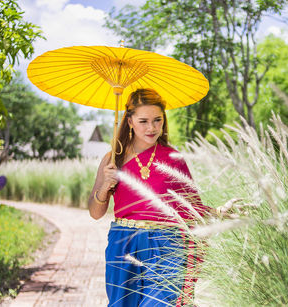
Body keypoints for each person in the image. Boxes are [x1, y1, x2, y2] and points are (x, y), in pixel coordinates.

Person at [88, 88, 217, 306]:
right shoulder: (113, 159)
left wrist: (222, 212)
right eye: (143, 121)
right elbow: (95, 212)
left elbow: (193, 208)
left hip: (167, 245)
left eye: (157, 120)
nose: (152, 127)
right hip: (124, 244)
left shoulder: (174, 159)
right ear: (129, 121)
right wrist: (105, 186)